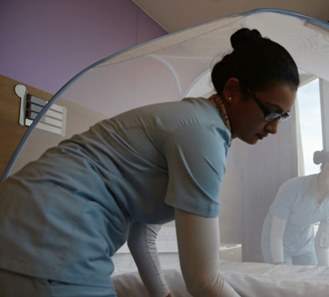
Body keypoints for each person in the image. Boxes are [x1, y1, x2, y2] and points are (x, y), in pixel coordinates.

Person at [0, 28, 299, 297]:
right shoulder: (203, 134)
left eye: (282, 118)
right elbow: (203, 280)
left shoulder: (197, 123)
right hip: (53, 228)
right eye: (271, 113)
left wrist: (163, 295)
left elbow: (142, 235)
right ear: (233, 91)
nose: (273, 128)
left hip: (22, 216)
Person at [261, 148, 329, 267]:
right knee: (285, 280)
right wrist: (279, 264)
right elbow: (276, 234)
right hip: (277, 242)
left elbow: (324, 239)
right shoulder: (292, 188)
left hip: (304, 245)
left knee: (314, 278)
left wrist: (325, 271)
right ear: (327, 168)